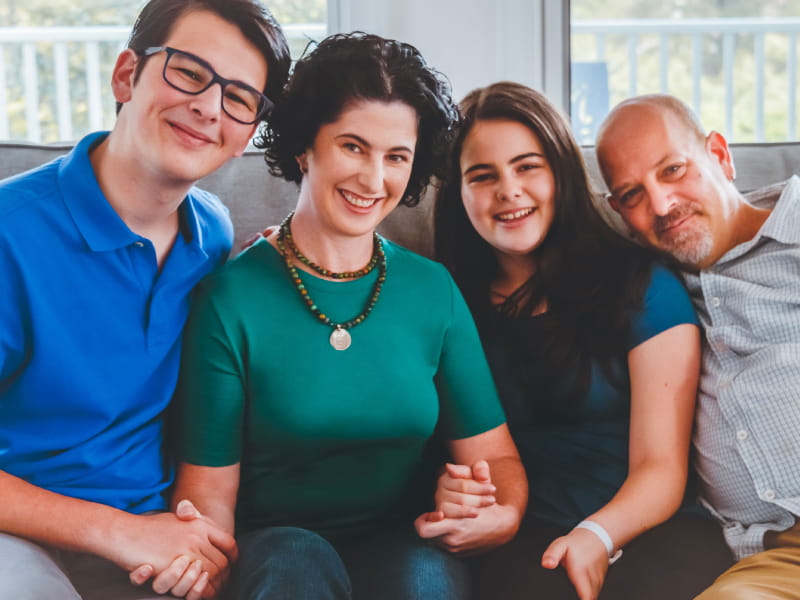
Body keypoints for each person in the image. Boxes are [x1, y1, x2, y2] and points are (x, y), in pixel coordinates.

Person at [170, 33, 527, 600]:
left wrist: (496, 516)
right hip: (275, 551)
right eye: (353, 147)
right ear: (304, 147)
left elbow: (497, 460)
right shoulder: (230, 299)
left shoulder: (432, 290)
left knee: (423, 584)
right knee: (296, 562)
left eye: (396, 157)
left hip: (406, 540)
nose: (373, 178)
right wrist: (205, 563)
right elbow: (207, 496)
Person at [0, 1, 290, 599]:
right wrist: (116, 531)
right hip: (20, 533)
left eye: (238, 97)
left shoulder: (212, 235)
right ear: (126, 75)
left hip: (156, 534)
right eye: (189, 71)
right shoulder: (11, 231)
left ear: (244, 137)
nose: (209, 106)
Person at [433, 82, 733, 600]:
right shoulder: (442, 300)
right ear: (458, 194)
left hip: (650, 527)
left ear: (562, 174)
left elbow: (660, 467)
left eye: (528, 166)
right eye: (483, 176)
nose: (508, 190)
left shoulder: (641, 284)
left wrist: (595, 535)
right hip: (524, 534)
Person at [596, 93, 800, 600]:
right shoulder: (649, 294)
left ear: (720, 155)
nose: (662, 205)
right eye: (633, 194)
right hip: (775, 561)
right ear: (618, 212)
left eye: (672, 170)